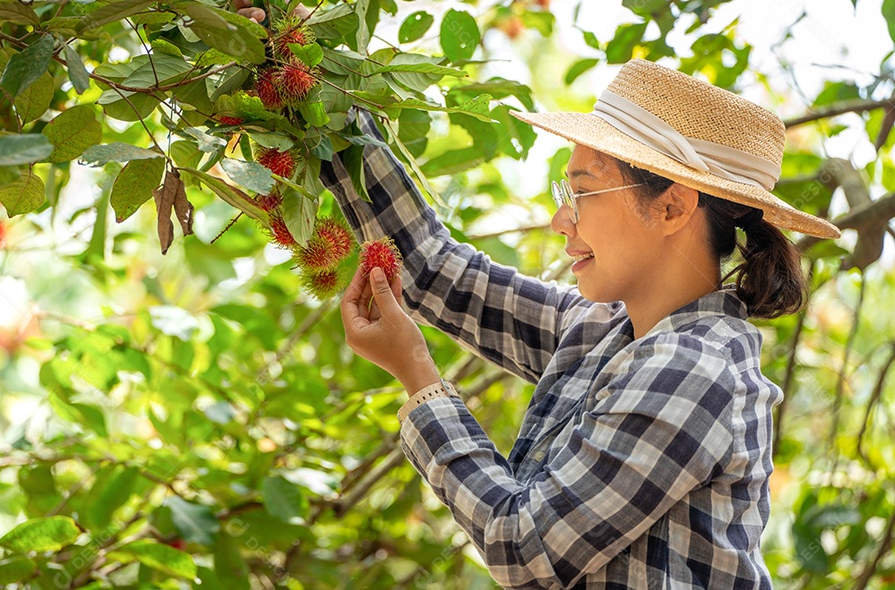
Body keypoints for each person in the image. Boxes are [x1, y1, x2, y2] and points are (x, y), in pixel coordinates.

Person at [322, 59, 840, 589]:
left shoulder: (694, 369)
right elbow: (434, 269)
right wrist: (315, 93)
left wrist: (417, 376)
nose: (561, 219)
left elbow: (521, 546)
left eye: (584, 192)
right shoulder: (604, 331)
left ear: (671, 209)